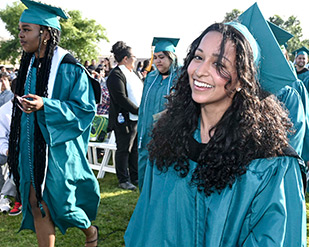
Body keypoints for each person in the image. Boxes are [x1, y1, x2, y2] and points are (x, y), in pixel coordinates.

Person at [124, 3, 306, 246]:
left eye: (219, 64)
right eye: (198, 57)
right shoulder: (169, 141)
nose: (200, 71)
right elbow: (145, 228)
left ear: (243, 78)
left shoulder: (271, 165)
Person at [8, 0, 101, 246]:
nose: (20, 35)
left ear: (46, 33)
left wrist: (46, 105)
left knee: (63, 204)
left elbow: (84, 109)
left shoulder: (69, 68)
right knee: (35, 201)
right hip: (31, 147)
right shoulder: (29, 66)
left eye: (26, 29)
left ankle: (90, 231)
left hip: (59, 151)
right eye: (20, 29)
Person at [137, 37, 180, 190]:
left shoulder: (180, 78)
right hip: (146, 132)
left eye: (162, 57)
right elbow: (143, 105)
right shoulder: (151, 77)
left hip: (168, 134)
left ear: (171, 57)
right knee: (144, 164)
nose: (157, 61)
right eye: (155, 58)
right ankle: (144, 201)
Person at [106, 41, 143, 190]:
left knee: (134, 149)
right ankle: (123, 179)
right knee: (123, 149)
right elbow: (120, 97)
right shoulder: (116, 74)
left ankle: (135, 177)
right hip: (124, 118)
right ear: (126, 58)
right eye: (133, 56)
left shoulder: (132, 73)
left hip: (135, 119)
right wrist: (137, 110)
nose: (135, 59)